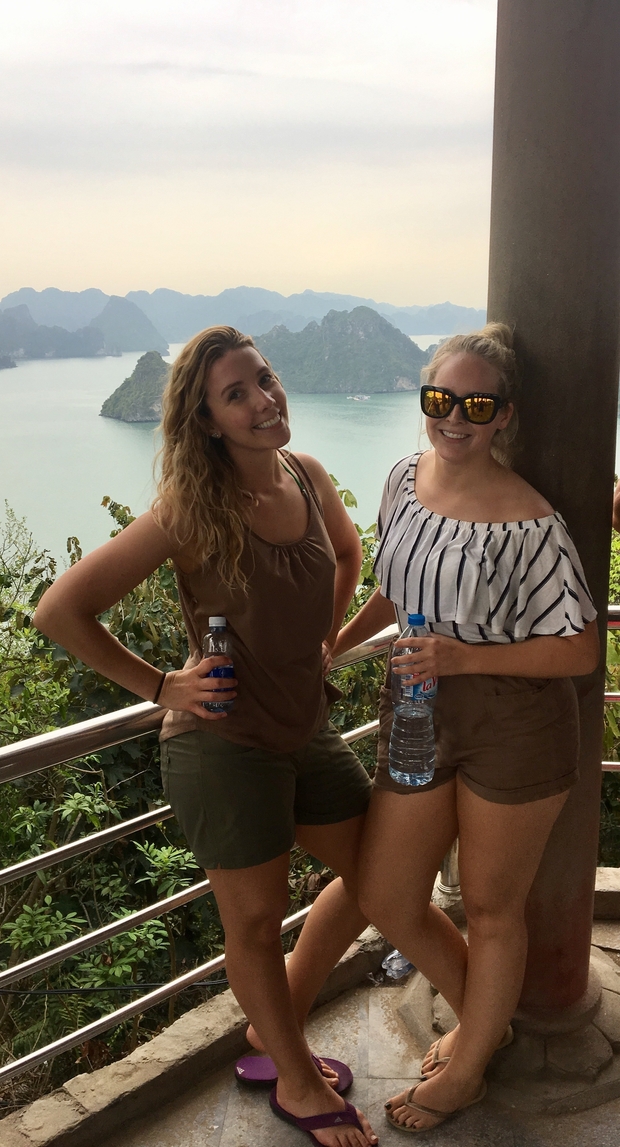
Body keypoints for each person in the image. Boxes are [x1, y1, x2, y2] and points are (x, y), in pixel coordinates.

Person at [33, 326, 378, 1147]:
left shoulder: (308, 474)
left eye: (265, 378)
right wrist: (162, 685)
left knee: (380, 877)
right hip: (220, 745)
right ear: (210, 421)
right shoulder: (194, 506)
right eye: (237, 394)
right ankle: (295, 1080)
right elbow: (60, 610)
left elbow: (347, 554)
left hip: (304, 726)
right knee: (255, 924)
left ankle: (276, 1022)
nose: (264, 400)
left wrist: (318, 641)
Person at [333, 323, 599, 1133]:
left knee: (490, 905)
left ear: (503, 416)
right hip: (416, 706)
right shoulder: (401, 482)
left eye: (475, 404)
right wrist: (336, 647)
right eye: (441, 398)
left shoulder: (529, 521)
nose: (455, 417)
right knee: (387, 888)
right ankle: (483, 1016)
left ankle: (473, 1059)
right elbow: (392, 584)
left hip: (515, 723)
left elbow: (581, 647)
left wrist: (463, 655)